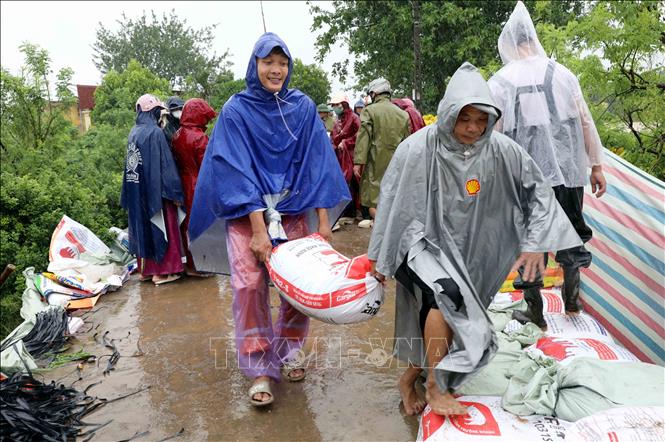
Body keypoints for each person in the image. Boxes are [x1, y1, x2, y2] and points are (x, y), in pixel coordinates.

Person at [367, 62, 582, 416]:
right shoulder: (418, 148)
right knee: (446, 297)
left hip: (468, 248)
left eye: (482, 120)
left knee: (454, 314)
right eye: (465, 118)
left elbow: (538, 190)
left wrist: (534, 242)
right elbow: (393, 202)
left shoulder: (500, 149)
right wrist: (381, 256)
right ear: (449, 112)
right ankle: (435, 387)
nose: (473, 128)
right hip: (419, 243)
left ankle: (410, 378)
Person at [187, 33, 350, 407]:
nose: (276, 70)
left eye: (282, 63)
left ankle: (289, 349)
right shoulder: (236, 111)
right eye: (268, 62)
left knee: (297, 284)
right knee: (248, 287)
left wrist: (323, 224)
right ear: (254, 65)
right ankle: (259, 365)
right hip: (248, 216)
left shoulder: (304, 107)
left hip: (293, 212)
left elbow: (317, 164)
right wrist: (259, 231)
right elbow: (235, 170)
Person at [487, 1, 606, 327]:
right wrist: (596, 165)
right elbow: (585, 121)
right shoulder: (562, 73)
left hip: (524, 182)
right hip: (568, 176)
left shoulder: (499, 81)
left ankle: (535, 312)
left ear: (510, 44)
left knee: (529, 241)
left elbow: (491, 136)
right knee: (570, 235)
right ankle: (571, 303)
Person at [121, 94, 185, 286]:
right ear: (154, 112)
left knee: (143, 230)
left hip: (137, 192)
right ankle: (163, 273)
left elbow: (130, 167)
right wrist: (175, 193)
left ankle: (146, 271)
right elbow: (166, 166)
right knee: (163, 227)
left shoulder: (134, 131)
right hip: (156, 194)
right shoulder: (155, 133)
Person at [353, 78, 410, 228]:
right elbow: (408, 143)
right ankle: (389, 226)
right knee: (392, 196)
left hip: (375, 162)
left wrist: (358, 163)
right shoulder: (402, 114)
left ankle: (383, 227)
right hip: (397, 162)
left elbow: (363, 138)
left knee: (373, 199)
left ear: (374, 93)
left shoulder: (369, 111)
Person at [171, 98, 217, 277]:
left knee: (187, 226)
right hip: (199, 184)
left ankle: (191, 263)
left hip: (183, 182)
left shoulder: (177, 135)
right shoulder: (200, 138)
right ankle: (202, 264)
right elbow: (207, 166)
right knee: (203, 224)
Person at [330, 93, 361, 224]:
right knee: (343, 183)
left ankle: (357, 212)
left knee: (354, 183)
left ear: (343, 104)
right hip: (340, 157)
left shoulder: (354, 118)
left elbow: (360, 135)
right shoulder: (337, 121)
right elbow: (333, 137)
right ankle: (347, 212)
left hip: (353, 156)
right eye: (333, 105)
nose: (334, 107)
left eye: (336, 105)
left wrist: (347, 142)